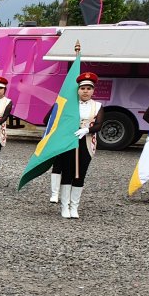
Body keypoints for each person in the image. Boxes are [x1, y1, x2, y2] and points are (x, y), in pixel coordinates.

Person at [52, 72, 104, 219]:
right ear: (78, 90)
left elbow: (99, 124)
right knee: (67, 173)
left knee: (80, 174)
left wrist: (87, 129)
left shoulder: (98, 106)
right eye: (83, 88)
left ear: (93, 90)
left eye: (89, 88)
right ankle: (64, 206)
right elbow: (56, 119)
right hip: (69, 142)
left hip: (86, 143)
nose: (85, 91)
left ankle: (74, 207)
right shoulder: (70, 104)